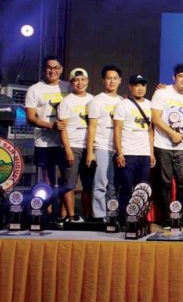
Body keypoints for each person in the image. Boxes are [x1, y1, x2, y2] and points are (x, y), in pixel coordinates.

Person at [151, 63, 183, 227]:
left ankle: (181, 218)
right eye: (181, 76)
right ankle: (167, 219)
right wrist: (172, 133)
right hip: (163, 144)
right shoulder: (162, 93)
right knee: (165, 183)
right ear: (174, 78)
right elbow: (156, 119)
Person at [25, 55, 70, 216]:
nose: (53, 71)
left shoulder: (68, 87)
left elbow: (84, 102)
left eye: (56, 68)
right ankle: (47, 213)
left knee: (67, 180)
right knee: (47, 180)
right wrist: (51, 126)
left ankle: (65, 216)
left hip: (65, 143)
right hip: (44, 142)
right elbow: (30, 117)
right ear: (44, 69)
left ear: (61, 69)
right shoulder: (35, 89)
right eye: (49, 67)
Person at [113, 74, 155, 219]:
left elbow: (150, 131)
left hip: (144, 154)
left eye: (142, 85)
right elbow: (117, 130)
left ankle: (140, 218)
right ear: (130, 87)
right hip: (128, 152)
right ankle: (124, 218)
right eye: (136, 85)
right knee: (126, 187)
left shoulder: (151, 105)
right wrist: (119, 153)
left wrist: (152, 153)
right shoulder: (123, 105)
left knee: (142, 188)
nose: (140, 88)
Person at [85, 64, 123, 220]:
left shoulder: (122, 101)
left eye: (115, 78)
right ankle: (100, 216)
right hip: (102, 146)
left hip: (119, 148)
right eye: (108, 78)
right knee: (101, 183)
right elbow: (92, 127)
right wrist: (90, 152)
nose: (112, 81)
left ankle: (112, 215)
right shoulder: (96, 101)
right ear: (103, 80)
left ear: (120, 80)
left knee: (114, 184)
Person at [57, 68, 95, 222]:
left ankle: (87, 216)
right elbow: (62, 128)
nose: (80, 83)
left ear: (87, 81)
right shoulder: (66, 101)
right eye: (76, 80)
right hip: (72, 146)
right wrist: (67, 150)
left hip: (90, 148)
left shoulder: (93, 99)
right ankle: (71, 216)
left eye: (83, 79)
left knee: (88, 185)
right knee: (69, 185)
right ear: (72, 82)